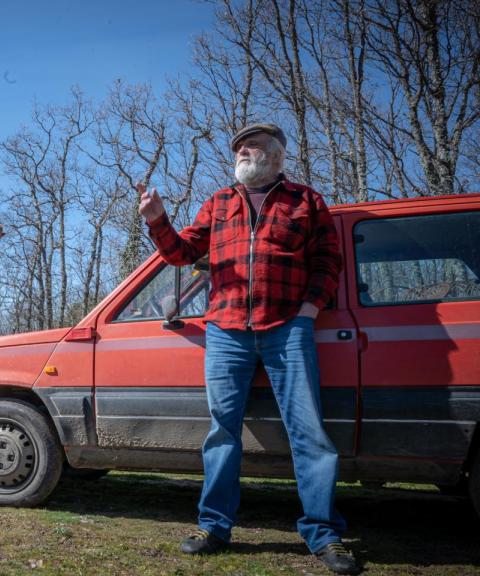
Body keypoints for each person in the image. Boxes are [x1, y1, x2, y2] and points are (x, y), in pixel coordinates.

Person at [137, 123, 359, 575]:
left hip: (288, 328)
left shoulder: (306, 201)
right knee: (222, 430)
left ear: (276, 156)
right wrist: (157, 219)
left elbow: (328, 260)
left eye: (251, 145)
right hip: (226, 330)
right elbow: (181, 253)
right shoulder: (219, 202)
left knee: (309, 432)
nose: (241, 151)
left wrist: (309, 311)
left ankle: (323, 532)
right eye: (238, 147)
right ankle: (214, 526)